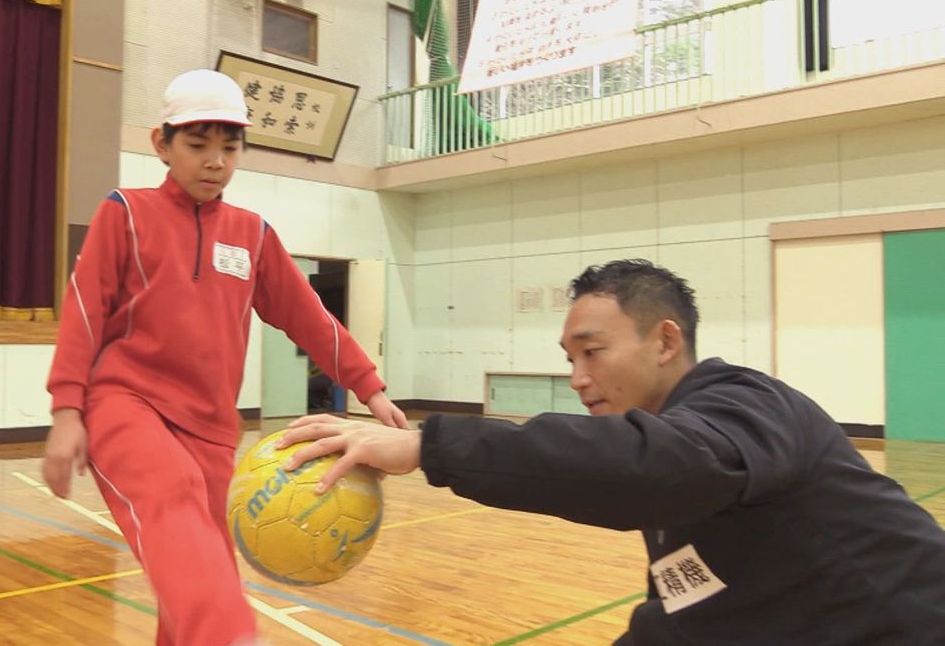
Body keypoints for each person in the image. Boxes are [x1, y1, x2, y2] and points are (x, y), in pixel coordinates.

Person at [279, 259, 945, 645]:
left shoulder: (744, 403)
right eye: (570, 358)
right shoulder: (674, 471)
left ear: (664, 340)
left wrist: (430, 442)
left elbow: (661, 464)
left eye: (592, 352)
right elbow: (688, 606)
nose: (577, 377)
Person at [41, 68, 408, 646]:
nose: (215, 161)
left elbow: (306, 314)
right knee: (172, 502)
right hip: (125, 403)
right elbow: (84, 309)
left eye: (229, 147)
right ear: (161, 143)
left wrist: (370, 387)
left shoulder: (252, 234)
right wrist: (67, 411)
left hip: (212, 431)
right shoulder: (125, 212)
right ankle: (236, 638)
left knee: (197, 566)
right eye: (197, 145)